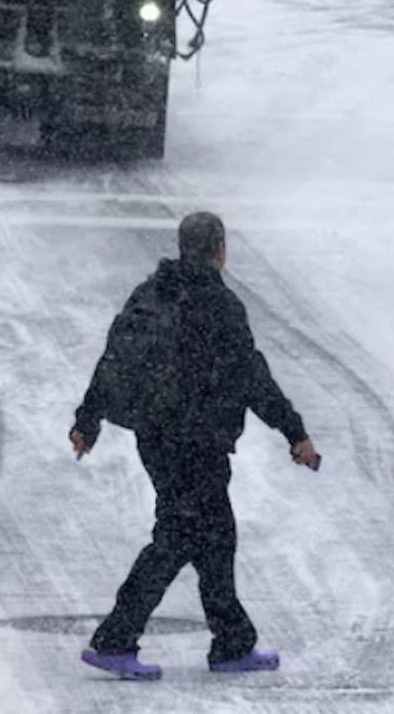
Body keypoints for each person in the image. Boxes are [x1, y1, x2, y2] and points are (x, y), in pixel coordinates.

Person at [69, 211, 322, 680]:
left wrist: (89, 419)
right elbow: (254, 378)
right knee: (180, 537)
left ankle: (232, 642)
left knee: (214, 535)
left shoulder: (151, 292)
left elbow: (114, 359)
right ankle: (115, 639)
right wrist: (296, 432)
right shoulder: (219, 306)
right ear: (220, 249)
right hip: (197, 441)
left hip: (156, 437)